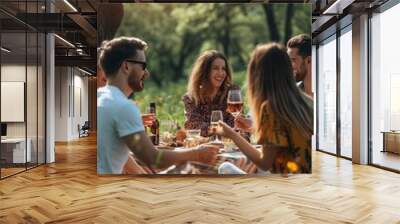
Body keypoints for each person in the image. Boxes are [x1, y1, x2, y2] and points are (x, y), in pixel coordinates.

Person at [97, 37, 219, 174]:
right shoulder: (123, 106)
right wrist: (196, 154)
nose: (147, 73)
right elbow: (153, 158)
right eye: (143, 66)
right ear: (126, 66)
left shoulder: (99, 97)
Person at [216, 43, 313, 174]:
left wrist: (232, 135)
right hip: (306, 181)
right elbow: (287, 136)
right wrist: (254, 128)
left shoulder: (271, 107)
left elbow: (265, 163)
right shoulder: (306, 102)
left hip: (283, 185)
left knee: (225, 168)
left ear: (258, 75)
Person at [183, 50, 236, 137]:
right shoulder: (191, 98)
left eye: (223, 69)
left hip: (230, 147)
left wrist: (211, 130)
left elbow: (237, 126)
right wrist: (223, 131)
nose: (221, 73)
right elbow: (193, 127)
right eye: (215, 68)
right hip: (203, 148)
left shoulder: (232, 93)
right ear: (204, 72)